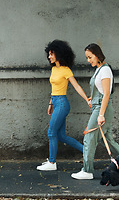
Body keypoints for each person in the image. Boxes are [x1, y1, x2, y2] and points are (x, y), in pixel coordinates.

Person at [71, 43, 119, 179]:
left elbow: (106, 94)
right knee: (108, 140)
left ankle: (87, 171)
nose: (88, 60)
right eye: (87, 58)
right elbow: (101, 91)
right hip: (99, 107)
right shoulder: (99, 69)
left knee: (89, 138)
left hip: (102, 109)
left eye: (90, 57)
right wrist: (93, 98)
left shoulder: (105, 70)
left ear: (97, 55)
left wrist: (101, 114)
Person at [37, 40, 91, 171]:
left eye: (51, 54)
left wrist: (87, 99)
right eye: (48, 54)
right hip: (56, 103)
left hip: (62, 103)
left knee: (51, 133)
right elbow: (53, 88)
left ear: (59, 54)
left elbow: (76, 86)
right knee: (61, 136)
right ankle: (87, 152)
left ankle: (52, 162)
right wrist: (50, 104)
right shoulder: (54, 69)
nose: (49, 57)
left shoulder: (66, 70)